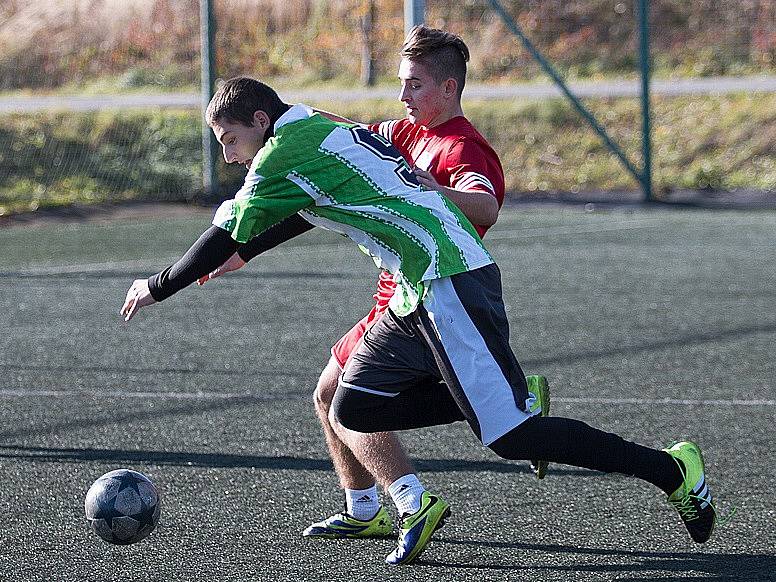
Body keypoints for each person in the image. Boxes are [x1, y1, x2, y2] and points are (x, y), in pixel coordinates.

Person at [121, 76, 727, 567]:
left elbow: (225, 229)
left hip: (448, 278)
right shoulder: (309, 122)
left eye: (228, 139)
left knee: (511, 439)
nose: (228, 155)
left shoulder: (282, 150)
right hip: (416, 287)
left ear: (257, 121)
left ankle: (672, 470)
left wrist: (157, 286)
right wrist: (244, 253)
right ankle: (481, 421)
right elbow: (310, 209)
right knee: (350, 407)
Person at [196, 25, 550, 558]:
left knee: (349, 405)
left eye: (414, 86)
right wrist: (246, 246)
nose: (403, 96)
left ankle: (413, 497)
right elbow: (332, 173)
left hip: (438, 290)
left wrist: (436, 190)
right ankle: (364, 511)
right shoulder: (403, 133)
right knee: (327, 395)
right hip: (395, 292)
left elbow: (485, 210)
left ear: (450, 88)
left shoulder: (462, 147)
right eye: (401, 84)